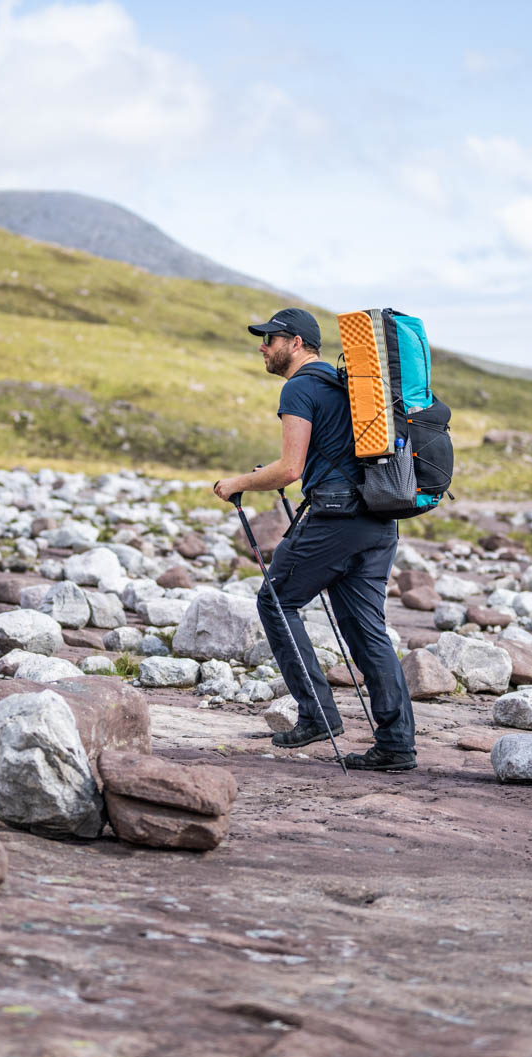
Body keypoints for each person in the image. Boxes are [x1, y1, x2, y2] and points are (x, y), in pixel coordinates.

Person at [212, 307, 418, 772]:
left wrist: (238, 482)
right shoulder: (347, 387)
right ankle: (396, 745)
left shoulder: (300, 387)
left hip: (335, 516)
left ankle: (317, 714)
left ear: (297, 343)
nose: (262, 347)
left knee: (275, 601)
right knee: (367, 630)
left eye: (271, 339)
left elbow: (290, 469)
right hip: (379, 518)